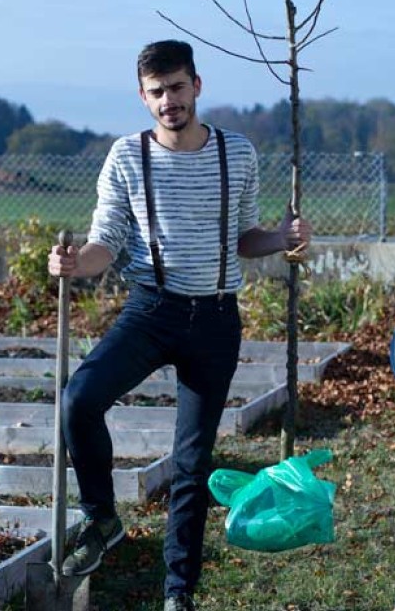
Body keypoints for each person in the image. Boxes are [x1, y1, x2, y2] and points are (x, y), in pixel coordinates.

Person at [48, 39, 312, 611]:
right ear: (143, 98)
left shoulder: (236, 154)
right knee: (78, 399)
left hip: (216, 318)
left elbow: (247, 239)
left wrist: (283, 240)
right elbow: (105, 244)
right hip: (151, 309)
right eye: (157, 92)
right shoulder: (125, 157)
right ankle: (102, 521)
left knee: (192, 462)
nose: (169, 101)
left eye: (177, 87)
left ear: (197, 85)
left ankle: (178, 592)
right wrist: (73, 266)